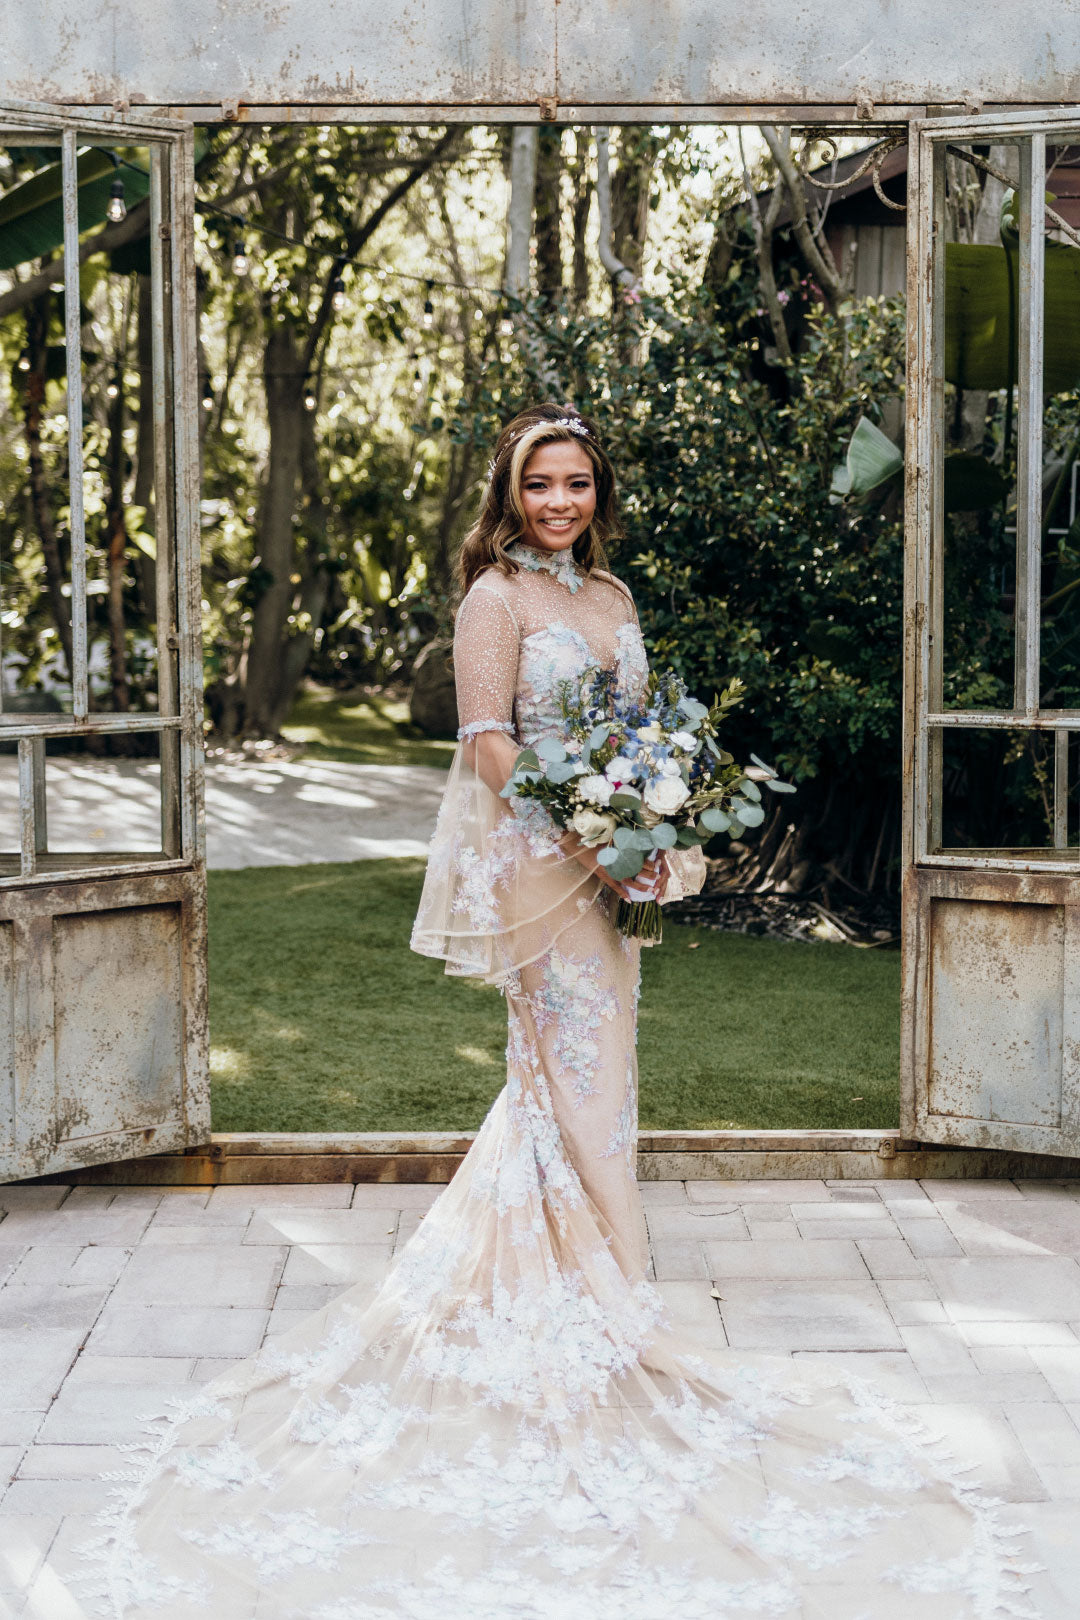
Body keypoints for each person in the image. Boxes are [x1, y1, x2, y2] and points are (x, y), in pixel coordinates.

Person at [79, 404, 1035, 1620]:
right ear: (511, 491)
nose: (559, 502)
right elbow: (486, 745)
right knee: (571, 1072)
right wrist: (584, 824)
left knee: (594, 1075)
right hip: (541, 867)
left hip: (612, 859)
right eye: (541, 484)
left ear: (598, 491)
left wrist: (655, 822)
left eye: (577, 483)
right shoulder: (496, 602)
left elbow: (636, 731)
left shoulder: (616, 597)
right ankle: (610, 1299)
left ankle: (575, 1282)